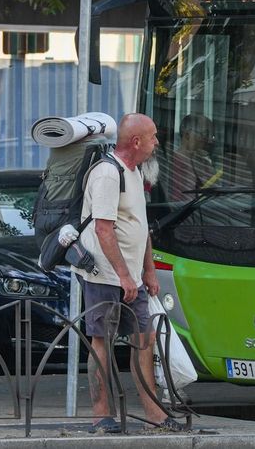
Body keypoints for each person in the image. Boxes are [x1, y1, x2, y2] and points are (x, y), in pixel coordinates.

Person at [71, 113, 184, 434]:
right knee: (101, 341)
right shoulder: (108, 174)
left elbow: (140, 227)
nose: (157, 142)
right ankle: (101, 416)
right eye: (153, 136)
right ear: (136, 142)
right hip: (105, 276)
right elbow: (104, 229)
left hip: (130, 278)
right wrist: (123, 275)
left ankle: (153, 413)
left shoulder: (134, 173)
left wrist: (147, 271)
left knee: (143, 339)